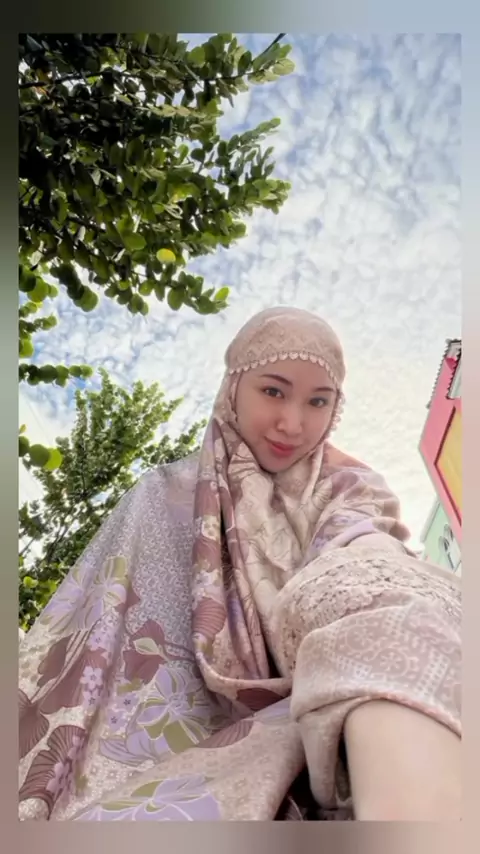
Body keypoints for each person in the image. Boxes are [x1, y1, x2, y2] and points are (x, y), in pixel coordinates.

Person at [19, 306, 461, 821]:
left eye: (318, 401)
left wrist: (384, 609)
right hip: (136, 759)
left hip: (308, 724)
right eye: (273, 390)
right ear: (234, 386)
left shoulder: (347, 489)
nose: (293, 423)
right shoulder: (163, 494)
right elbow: (97, 639)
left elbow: (362, 557)